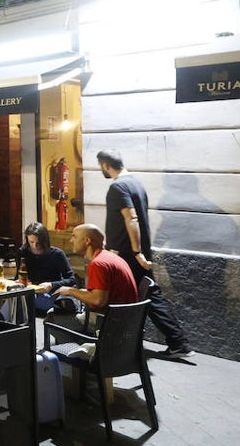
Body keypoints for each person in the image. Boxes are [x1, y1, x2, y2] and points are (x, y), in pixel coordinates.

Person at [97, 149, 194, 359]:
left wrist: (136, 252)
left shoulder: (118, 186)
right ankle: (178, 342)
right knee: (150, 295)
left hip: (128, 255)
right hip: (134, 253)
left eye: (100, 166)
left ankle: (118, 344)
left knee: (125, 297)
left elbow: (131, 219)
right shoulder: (136, 184)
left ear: (105, 164)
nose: (101, 170)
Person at [55, 223, 138, 311]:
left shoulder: (98, 264)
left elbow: (98, 300)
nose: (71, 240)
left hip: (111, 319)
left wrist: (71, 291)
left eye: (74, 236)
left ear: (87, 240)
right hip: (127, 315)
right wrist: (79, 292)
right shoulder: (109, 256)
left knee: (54, 315)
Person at [18, 221, 76, 315]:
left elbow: (72, 280)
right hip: (31, 290)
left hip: (51, 293)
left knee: (23, 304)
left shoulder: (57, 254)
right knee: (13, 300)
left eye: (38, 242)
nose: (35, 246)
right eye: (31, 242)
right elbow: (20, 275)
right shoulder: (23, 252)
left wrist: (51, 284)